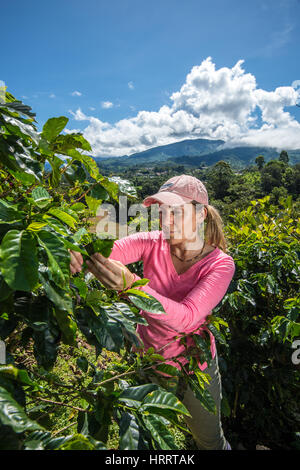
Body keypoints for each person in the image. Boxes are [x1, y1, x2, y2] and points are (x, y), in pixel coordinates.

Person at [69, 174, 235, 450]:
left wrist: (132, 285)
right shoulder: (151, 242)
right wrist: (80, 252)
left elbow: (188, 317)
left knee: (209, 440)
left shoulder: (220, 264)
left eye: (176, 212)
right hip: (148, 361)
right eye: (161, 212)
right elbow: (107, 252)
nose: (165, 221)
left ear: (201, 214)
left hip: (196, 369)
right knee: (146, 440)